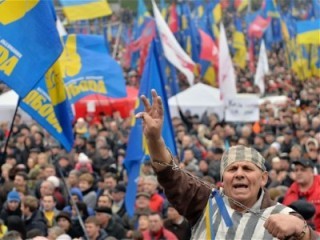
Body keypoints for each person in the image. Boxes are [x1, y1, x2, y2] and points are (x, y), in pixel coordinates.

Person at [136, 90, 318, 239]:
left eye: (247, 168)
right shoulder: (205, 202)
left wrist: (303, 232)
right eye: (232, 169)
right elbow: (170, 175)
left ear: (263, 178)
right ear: (223, 179)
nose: (239, 174)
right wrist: (154, 139)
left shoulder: (284, 217)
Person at [283, 159, 320, 231]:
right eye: (296, 170)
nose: (298, 173)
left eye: (303, 170)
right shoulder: (291, 191)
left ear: (312, 172)